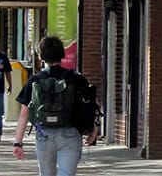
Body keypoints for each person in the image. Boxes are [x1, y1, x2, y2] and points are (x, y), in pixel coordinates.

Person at [12, 36, 99, 176]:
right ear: (62, 55)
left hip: (44, 134)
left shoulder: (35, 80)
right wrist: (93, 129)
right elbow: (92, 104)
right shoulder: (76, 79)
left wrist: (18, 143)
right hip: (70, 133)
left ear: (41, 56)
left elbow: (23, 113)